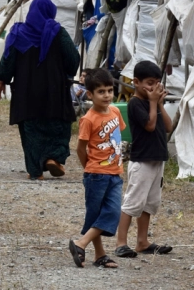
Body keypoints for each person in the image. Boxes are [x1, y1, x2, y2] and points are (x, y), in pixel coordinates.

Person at [0, 0, 80, 180]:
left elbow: (8, 59)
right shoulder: (58, 32)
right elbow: (73, 59)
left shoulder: (18, 33)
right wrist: (66, 71)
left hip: (26, 91)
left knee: (30, 128)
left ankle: (35, 170)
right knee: (58, 125)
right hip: (54, 89)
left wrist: (2, 80)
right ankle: (53, 157)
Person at [114, 61, 174, 258]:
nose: (153, 88)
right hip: (142, 160)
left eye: (157, 83)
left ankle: (142, 241)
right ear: (136, 82)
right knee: (133, 202)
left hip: (157, 159)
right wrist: (153, 103)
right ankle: (121, 242)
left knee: (149, 203)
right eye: (149, 83)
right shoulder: (135, 103)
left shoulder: (152, 103)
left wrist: (159, 104)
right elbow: (149, 125)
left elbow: (168, 126)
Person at [69, 68, 125, 269]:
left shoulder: (116, 112)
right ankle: (93, 251)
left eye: (110, 90)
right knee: (97, 213)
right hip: (96, 174)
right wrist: (89, 168)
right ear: (90, 94)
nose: (107, 95)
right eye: (101, 91)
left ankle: (83, 245)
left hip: (115, 173)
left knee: (111, 212)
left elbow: (118, 137)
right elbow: (80, 148)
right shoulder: (88, 119)